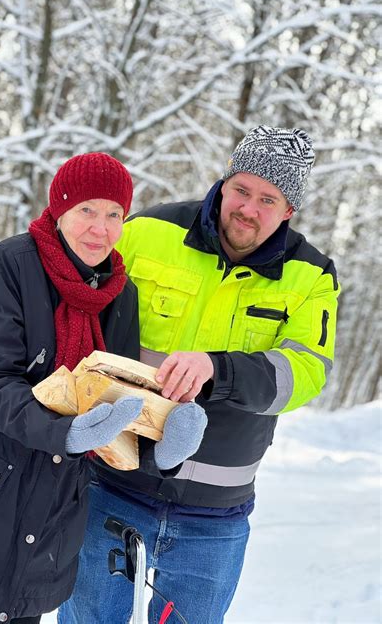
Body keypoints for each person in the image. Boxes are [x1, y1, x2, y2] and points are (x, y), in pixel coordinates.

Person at [0, 152, 206, 624]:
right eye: (87, 209)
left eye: (114, 215)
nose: (100, 228)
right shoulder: (11, 264)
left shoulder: (121, 295)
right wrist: (64, 432)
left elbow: (119, 401)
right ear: (60, 208)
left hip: (47, 520)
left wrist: (159, 451)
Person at [59, 126, 340, 623]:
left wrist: (218, 368)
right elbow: (77, 309)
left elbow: (306, 373)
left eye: (268, 199)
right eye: (242, 190)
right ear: (225, 180)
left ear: (289, 210)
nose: (249, 208)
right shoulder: (148, 233)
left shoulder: (312, 276)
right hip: (114, 485)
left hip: (214, 517)